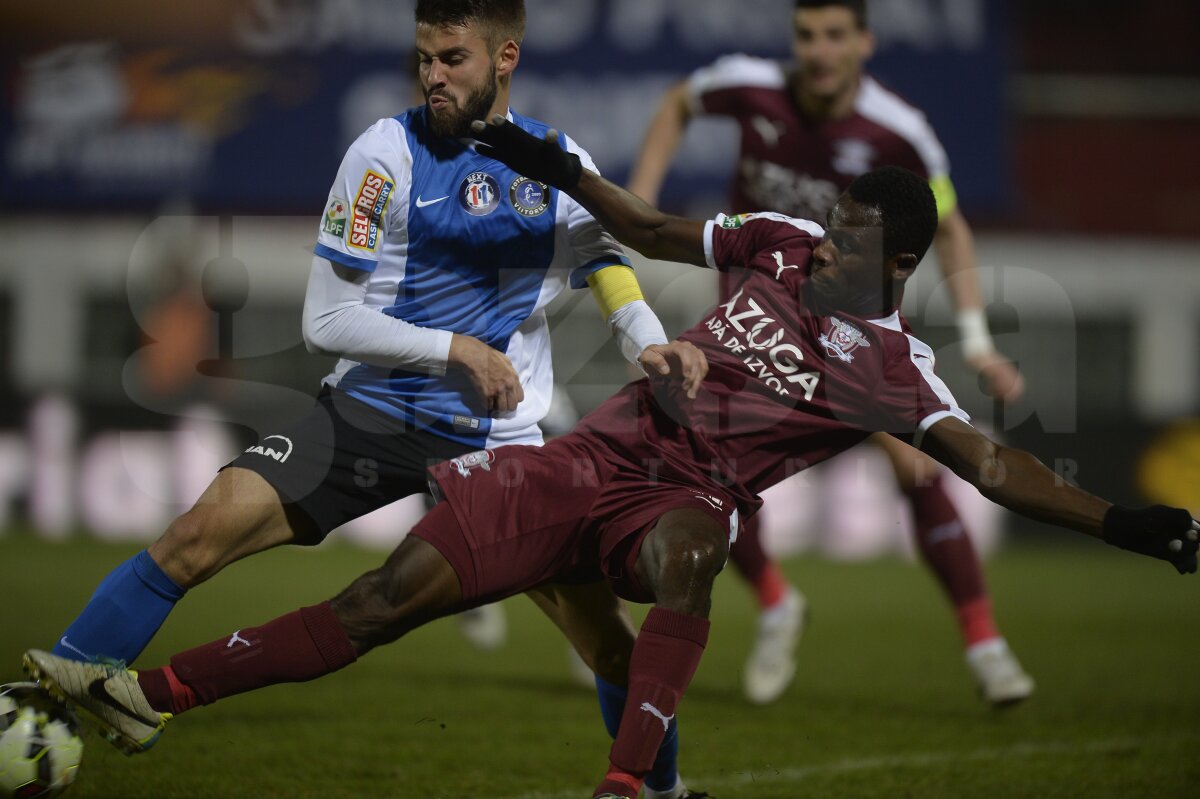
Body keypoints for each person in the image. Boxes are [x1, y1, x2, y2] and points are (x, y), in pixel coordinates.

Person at [25, 137, 1198, 799]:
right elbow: (644, 233)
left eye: (849, 234)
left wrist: (1124, 523)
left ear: (895, 260)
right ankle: (150, 695)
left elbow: (990, 464)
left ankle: (631, 785)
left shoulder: (892, 366)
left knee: (697, 545)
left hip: (679, 503)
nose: (822, 238)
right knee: (382, 604)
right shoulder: (780, 246)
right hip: (582, 457)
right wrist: (561, 168)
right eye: (827, 222)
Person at [35, 3, 705, 797]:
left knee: (607, 644)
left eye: (453, 57)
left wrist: (644, 340)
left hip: (501, 440)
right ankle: (48, 702)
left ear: (505, 58)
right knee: (194, 535)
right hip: (369, 414)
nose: (434, 75)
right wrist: (455, 347)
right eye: (425, 58)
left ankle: (658, 790)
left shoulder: (555, 158)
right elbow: (327, 319)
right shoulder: (383, 154)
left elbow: (602, 258)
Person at [626, 0, 1031, 705]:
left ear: (864, 42)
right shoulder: (748, 83)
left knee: (909, 463)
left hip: (841, 337)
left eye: (835, 35)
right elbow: (676, 102)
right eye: (806, 35)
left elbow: (953, 224)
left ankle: (985, 641)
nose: (819, 51)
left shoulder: (899, 131)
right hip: (751, 324)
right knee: (701, 464)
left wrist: (977, 340)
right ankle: (779, 601)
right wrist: (641, 198)